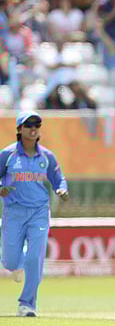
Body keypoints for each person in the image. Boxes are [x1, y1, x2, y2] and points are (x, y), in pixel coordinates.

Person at [0, 110, 69, 317]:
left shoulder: (47, 156)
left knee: (34, 257)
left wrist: (61, 189)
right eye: (28, 125)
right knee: (10, 261)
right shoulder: (8, 154)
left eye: (36, 125)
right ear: (19, 130)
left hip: (39, 211)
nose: (33, 129)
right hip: (13, 211)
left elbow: (58, 178)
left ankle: (27, 303)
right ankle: (16, 265)